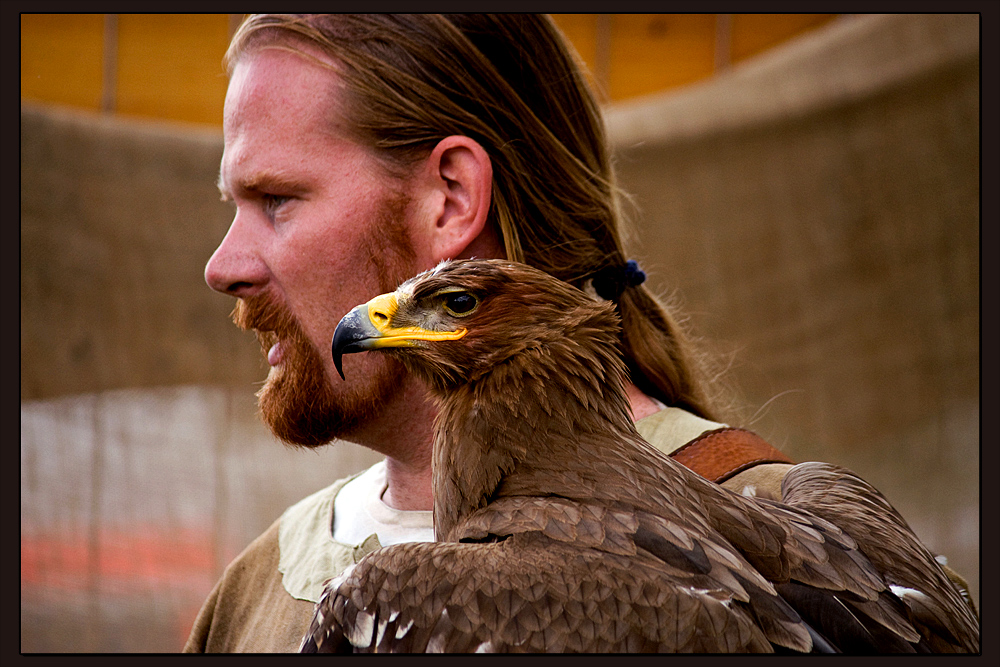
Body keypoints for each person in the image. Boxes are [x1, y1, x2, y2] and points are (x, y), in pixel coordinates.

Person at [183, 14, 972, 652]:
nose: (224, 265)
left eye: (276, 199)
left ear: (451, 199)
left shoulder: (797, 518)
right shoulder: (257, 590)